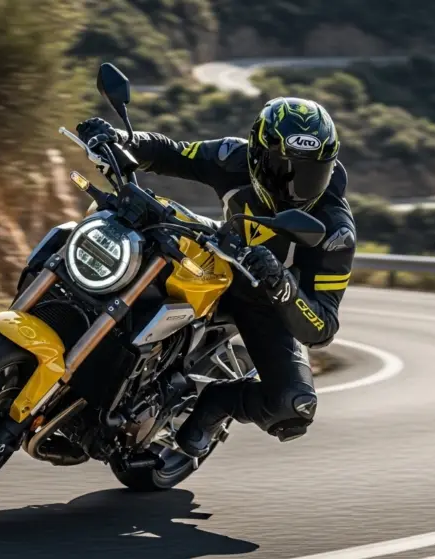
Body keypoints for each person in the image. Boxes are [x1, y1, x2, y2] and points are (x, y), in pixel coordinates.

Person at [76, 97, 357, 458]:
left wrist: (282, 284)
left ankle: (217, 402)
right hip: (214, 254)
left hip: (268, 300)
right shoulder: (232, 157)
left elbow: (324, 326)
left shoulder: (334, 230)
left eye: (310, 174)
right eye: (281, 169)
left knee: (294, 406)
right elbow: (170, 152)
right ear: (256, 154)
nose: (293, 187)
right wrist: (118, 139)